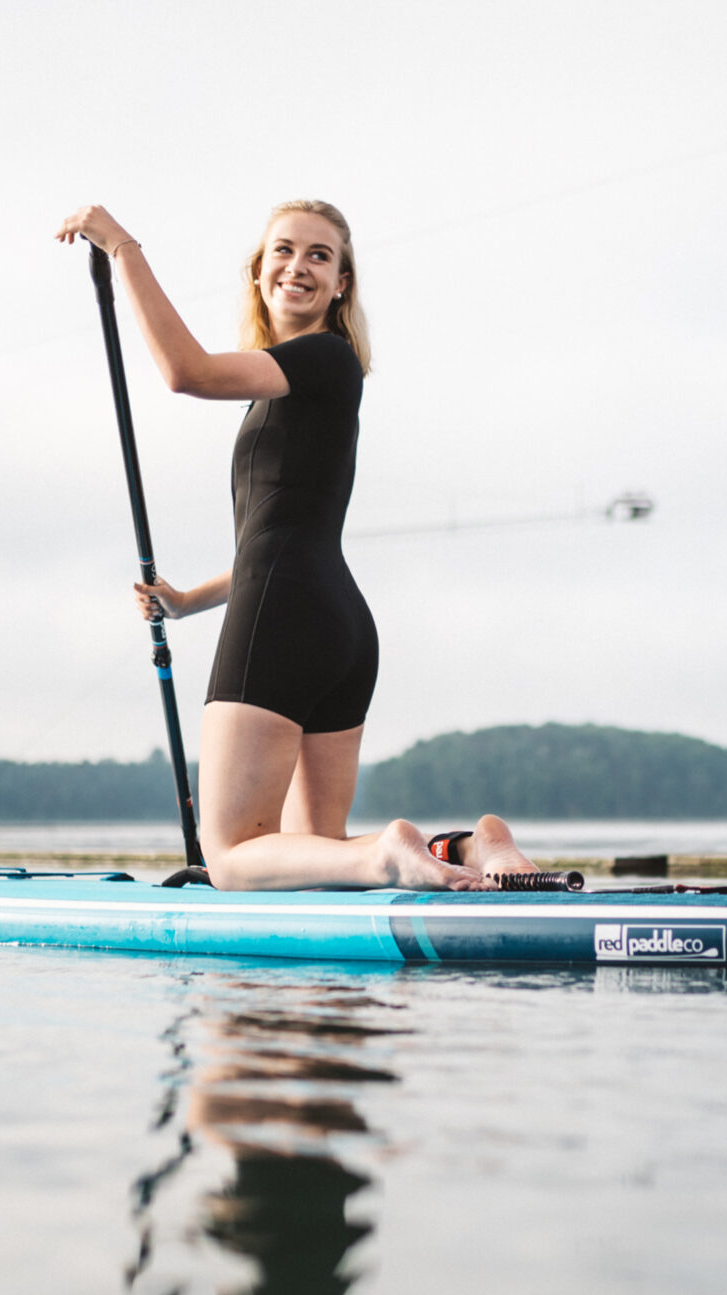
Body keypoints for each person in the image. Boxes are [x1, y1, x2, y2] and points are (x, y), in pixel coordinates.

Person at [55, 200, 537, 891]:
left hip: (286, 614)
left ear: (342, 284)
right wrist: (190, 600)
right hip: (334, 621)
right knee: (310, 856)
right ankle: (467, 848)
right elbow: (280, 532)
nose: (298, 266)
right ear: (259, 271)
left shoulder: (323, 357)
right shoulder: (303, 378)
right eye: (284, 250)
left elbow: (185, 372)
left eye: (319, 256)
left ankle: (387, 853)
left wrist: (123, 248)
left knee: (228, 854)